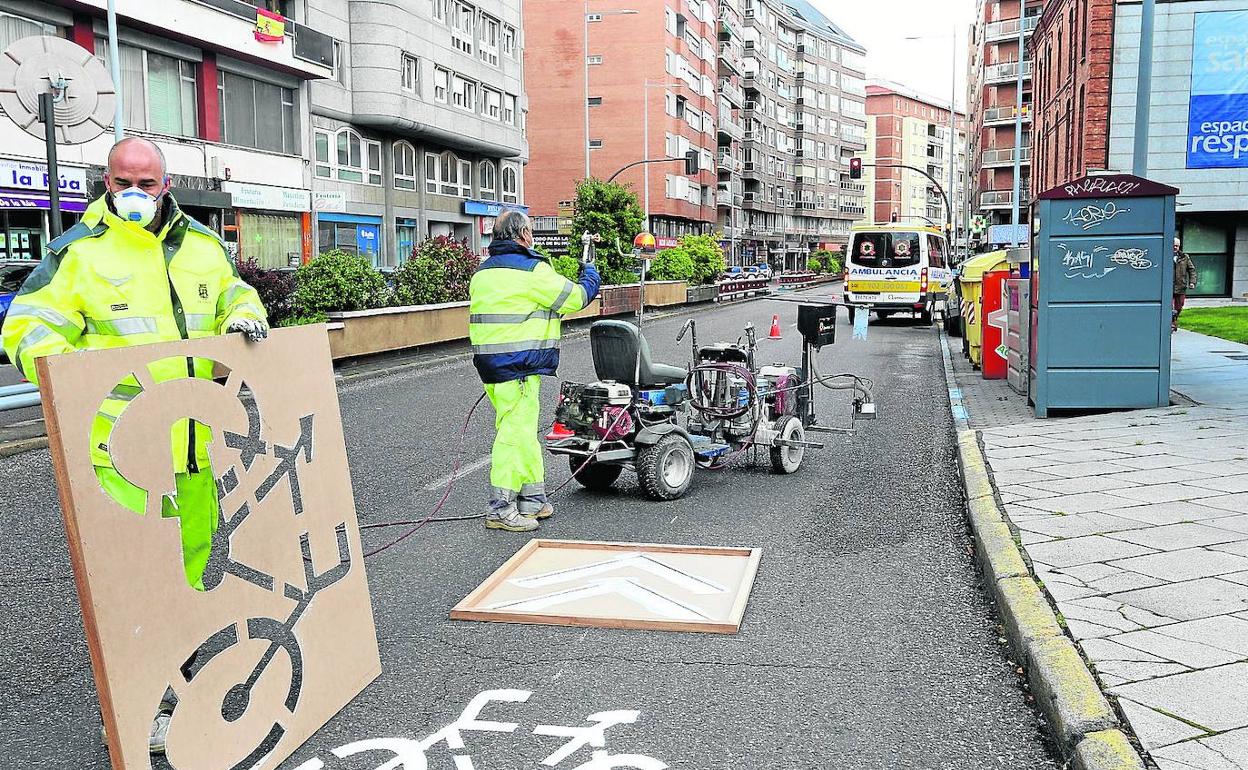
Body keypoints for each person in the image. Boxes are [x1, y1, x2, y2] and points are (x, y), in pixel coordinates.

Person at [0, 137, 268, 752]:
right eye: (124, 182)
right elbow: (25, 327)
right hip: (123, 457)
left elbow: (235, 295)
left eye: (147, 185)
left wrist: (242, 317)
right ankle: (136, 707)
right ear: (105, 181)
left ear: (166, 186)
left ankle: (194, 687)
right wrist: (76, 381)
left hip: (199, 451)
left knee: (198, 575)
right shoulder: (79, 253)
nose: (135, 195)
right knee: (133, 586)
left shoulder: (202, 248)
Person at [469, 211, 600, 531]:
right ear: (523, 235)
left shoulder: (483, 273)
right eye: (530, 232)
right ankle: (500, 508)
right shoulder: (532, 271)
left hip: (492, 366)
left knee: (524, 430)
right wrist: (590, 272)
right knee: (514, 434)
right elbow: (577, 297)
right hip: (519, 368)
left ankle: (533, 498)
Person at [1173, 236, 1197, 332]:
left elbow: (1192, 270)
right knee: (1168, 307)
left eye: (1177, 246)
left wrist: (1192, 282)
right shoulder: (1164, 255)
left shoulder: (1185, 257)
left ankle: (1174, 320)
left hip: (1180, 286)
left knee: (1179, 307)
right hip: (1168, 287)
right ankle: (1171, 324)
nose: (1175, 247)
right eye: (1174, 245)